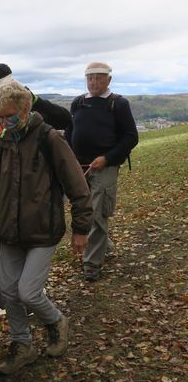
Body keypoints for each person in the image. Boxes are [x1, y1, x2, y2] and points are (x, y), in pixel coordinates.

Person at [0, 79, 93, 375]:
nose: (3, 122)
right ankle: (23, 345)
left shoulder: (49, 139)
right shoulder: (3, 141)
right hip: (10, 231)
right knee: (9, 292)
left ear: (25, 109)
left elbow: (78, 186)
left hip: (43, 230)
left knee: (28, 292)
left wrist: (81, 229)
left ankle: (55, 321)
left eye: (9, 115)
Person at [0, 63, 72, 322]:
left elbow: (65, 119)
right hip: (5, 190)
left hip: (37, 200)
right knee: (3, 253)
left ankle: (34, 298)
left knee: (26, 267)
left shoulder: (29, 109)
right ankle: (7, 298)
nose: (4, 120)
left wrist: (34, 99)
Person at [65, 62, 138, 281]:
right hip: (79, 168)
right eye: (90, 78)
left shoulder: (118, 104)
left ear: (109, 80)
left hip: (104, 167)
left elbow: (130, 137)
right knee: (83, 210)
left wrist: (107, 159)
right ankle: (103, 246)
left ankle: (91, 264)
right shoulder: (78, 102)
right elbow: (70, 131)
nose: (94, 82)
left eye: (99, 78)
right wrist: (69, 157)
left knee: (96, 215)